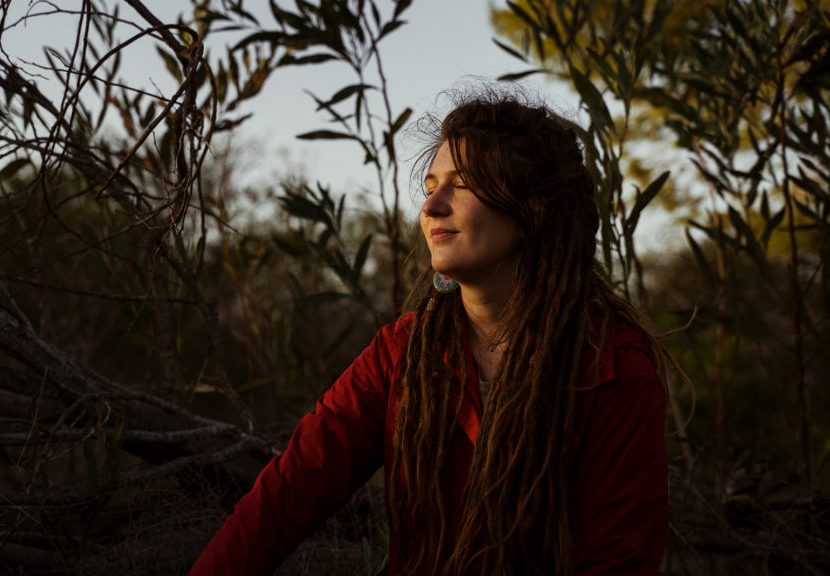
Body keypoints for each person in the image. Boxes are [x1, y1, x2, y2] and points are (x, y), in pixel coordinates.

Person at [188, 91, 668, 576]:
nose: (432, 206)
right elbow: (288, 494)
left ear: (534, 210)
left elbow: (618, 561)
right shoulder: (403, 352)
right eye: (431, 184)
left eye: (461, 185)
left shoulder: (610, 369)